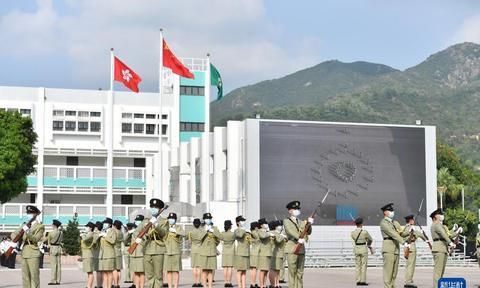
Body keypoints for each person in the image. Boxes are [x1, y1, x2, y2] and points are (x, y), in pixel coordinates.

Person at [11, 205, 45, 288]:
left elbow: (36, 239)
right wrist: (15, 240)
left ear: (35, 214)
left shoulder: (40, 227)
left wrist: (28, 231)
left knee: (34, 276)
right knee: (25, 277)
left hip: (33, 252)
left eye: (30, 213)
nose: (28, 214)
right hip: (24, 252)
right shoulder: (24, 225)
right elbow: (13, 233)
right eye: (28, 213)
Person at [137, 198, 168, 288]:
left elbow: (164, 233)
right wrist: (140, 240)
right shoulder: (146, 220)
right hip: (147, 249)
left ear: (160, 209)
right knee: (149, 274)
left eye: (156, 207)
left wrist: (157, 225)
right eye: (152, 207)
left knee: (158, 275)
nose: (153, 209)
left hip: (158, 249)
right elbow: (136, 232)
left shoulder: (164, 221)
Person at [283, 201, 313, 288]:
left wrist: (309, 224)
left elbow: (308, 232)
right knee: (292, 272)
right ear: (289, 211)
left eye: (298, 209)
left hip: (301, 249)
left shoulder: (301, 222)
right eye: (295, 209)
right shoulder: (286, 221)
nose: (297, 210)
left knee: (300, 272)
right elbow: (290, 231)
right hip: (292, 247)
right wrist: (300, 238)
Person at [430, 208, 461, 287]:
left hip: (443, 248)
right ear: (435, 217)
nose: (441, 215)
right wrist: (450, 243)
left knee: (441, 271)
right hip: (439, 248)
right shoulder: (436, 224)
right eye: (440, 214)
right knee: (438, 271)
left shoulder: (441, 225)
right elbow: (443, 234)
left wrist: (456, 231)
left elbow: (448, 234)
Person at [380, 203, 408, 288]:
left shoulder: (394, 222)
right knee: (388, 272)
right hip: (388, 249)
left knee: (394, 273)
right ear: (385, 212)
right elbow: (393, 234)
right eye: (390, 211)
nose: (392, 212)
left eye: (393, 211)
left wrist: (410, 230)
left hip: (395, 249)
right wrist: (403, 242)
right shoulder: (383, 223)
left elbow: (401, 232)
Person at [401, 215, 428, 288]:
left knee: (408, 265)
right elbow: (419, 234)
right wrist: (425, 238)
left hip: (407, 246)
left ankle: (408, 280)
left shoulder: (405, 228)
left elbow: (402, 235)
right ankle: (408, 282)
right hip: (411, 246)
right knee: (411, 265)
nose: (413, 221)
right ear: (410, 221)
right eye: (412, 220)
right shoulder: (411, 228)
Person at [199, 213, 221, 288]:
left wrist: (213, 231)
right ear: (204, 220)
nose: (208, 220)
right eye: (207, 219)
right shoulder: (201, 228)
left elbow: (219, 238)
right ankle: (205, 286)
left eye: (210, 218)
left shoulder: (215, 228)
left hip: (212, 252)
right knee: (204, 270)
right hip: (204, 252)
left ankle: (210, 285)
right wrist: (205, 231)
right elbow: (198, 239)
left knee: (211, 270)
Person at [164, 212, 185, 288]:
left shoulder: (178, 227)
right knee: (168, 271)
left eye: (173, 218)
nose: (171, 220)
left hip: (176, 251)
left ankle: (175, 286)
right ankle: (170, 286)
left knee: (176, 271)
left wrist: (175, 231)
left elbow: (184, 234)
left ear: (175, 220)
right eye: (170, 218)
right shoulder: (165, 227)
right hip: (167, 251)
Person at [351, 217, 373, 286]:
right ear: (361, 224)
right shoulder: (364, 232)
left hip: (356, 249)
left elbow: (354, 240)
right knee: (363, 265)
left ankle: (358, 280)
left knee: (357, 265)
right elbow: (370, 239)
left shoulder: (353, 233)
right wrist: (369, 245)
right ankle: (363, 281)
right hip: (363, 248)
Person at [99, 217, 117, 288]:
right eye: (104, 223)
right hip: (103, 255)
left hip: (109, 255)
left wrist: (105, 236)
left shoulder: (113, 231)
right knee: (104, 273)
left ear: (109, 224)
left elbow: (113, 241)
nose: (104, 224)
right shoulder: (103, 231)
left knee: (109, 273)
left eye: (105, 223)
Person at [269, 220, 286, 288]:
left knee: (278, 270)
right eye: (279, 225)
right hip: (274, 254)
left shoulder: (279, 233)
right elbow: (278, 241)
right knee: (273, 269)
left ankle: (277, 284)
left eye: (281, 225)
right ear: (275, 227)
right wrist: (282, 236)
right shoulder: (273, 233)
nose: (281, 226)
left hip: (280, 254)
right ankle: (273, 284)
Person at [234, 216, 249, 288]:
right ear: (238, 222)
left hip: (246, 252)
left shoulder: (245, 230)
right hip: (240, 253)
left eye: (244, 220)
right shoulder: (237, 230)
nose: (243, 222)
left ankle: (243, 286)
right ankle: (239, 286)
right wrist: (244, 230)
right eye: (241, 221)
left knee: (244, 271)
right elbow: (239, 236)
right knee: (239, 271)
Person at [131, 214, 146, 288]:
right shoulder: (133, 230)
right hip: (134, 254)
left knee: (142, 272)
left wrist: (142, 238)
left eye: (139, 221)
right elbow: (125, 240)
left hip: (141, 253)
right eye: (136, 220)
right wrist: (129, 232)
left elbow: (147, 240)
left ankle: (142, 286)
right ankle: (137, 286)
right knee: (136, 272)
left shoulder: (145, 229)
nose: (137, 222)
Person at [257, 218, 272, 288]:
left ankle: (264, 284)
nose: (266, 225)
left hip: (268, 252)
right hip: (263, 253)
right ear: (261, 225)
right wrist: (269, 233)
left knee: (266, 271)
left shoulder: (266, 231)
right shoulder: (260, 231)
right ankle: (261, 285)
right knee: (262, 270)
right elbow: (262, 236)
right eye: (265, 224)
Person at [188, 218, 204, 287]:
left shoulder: (190, 232)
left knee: (194, 267)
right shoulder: (202, 231)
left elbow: (189, 242)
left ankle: (195, 282)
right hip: (200, 249)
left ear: (193, 224)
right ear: (200, 224)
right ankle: (199, 282)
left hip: (193, 250)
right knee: (200, 267)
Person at [81, 222, 97, 288]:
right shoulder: (88, 234)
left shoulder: (91, 234)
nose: (86, 228)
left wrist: (82, 235)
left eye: (87, 227)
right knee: (88, 272)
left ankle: (89, 286)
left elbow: (84, 239)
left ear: (90, 228)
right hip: (86, 254)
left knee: (90, 272)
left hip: (88, 254)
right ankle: (88, 285)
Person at [48, 219, 63, 285]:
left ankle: (53, 280)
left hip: (53, 248)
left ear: (54, 225)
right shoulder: (61, 233)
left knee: (53, 265)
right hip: (59, 248)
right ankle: (58, 280)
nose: (51, 225)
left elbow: (48, 241)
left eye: (52, 224)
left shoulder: (51, 233)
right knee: (59, 265)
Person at [220, 220, 235, 288]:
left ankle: (225, 282)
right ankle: (229, 282)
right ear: (230, 226)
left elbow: (220, 238)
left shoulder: (222, 233)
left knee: (225, 268)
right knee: (230, 267)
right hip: (231, 252)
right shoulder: (232, 234)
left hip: (224, 251)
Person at [113, 220, 124, 288]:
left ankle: (115, 284)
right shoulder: (121, 233)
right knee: (118, 269)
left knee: (114, 269)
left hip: (114, 251)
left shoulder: (114, 232)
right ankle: (118, 284)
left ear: (115, 226)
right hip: (119, 251)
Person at [249, 221, 260, 288]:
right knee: (254, 269)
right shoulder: (254, 232)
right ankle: (253, 283)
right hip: (255, 253)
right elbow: (259, 237)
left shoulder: (252, 233)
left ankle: (253, 283)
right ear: (255, 227)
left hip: (253, 252)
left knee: (253, 269)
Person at [93, 221, 103, 288]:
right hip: (102, 253)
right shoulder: (102, 233)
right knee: (101, 271)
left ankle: (98, 285)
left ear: (96, 227)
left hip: (97, 254)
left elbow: (94, 242)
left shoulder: (96, 233)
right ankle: (100, 285)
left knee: (98, 271)